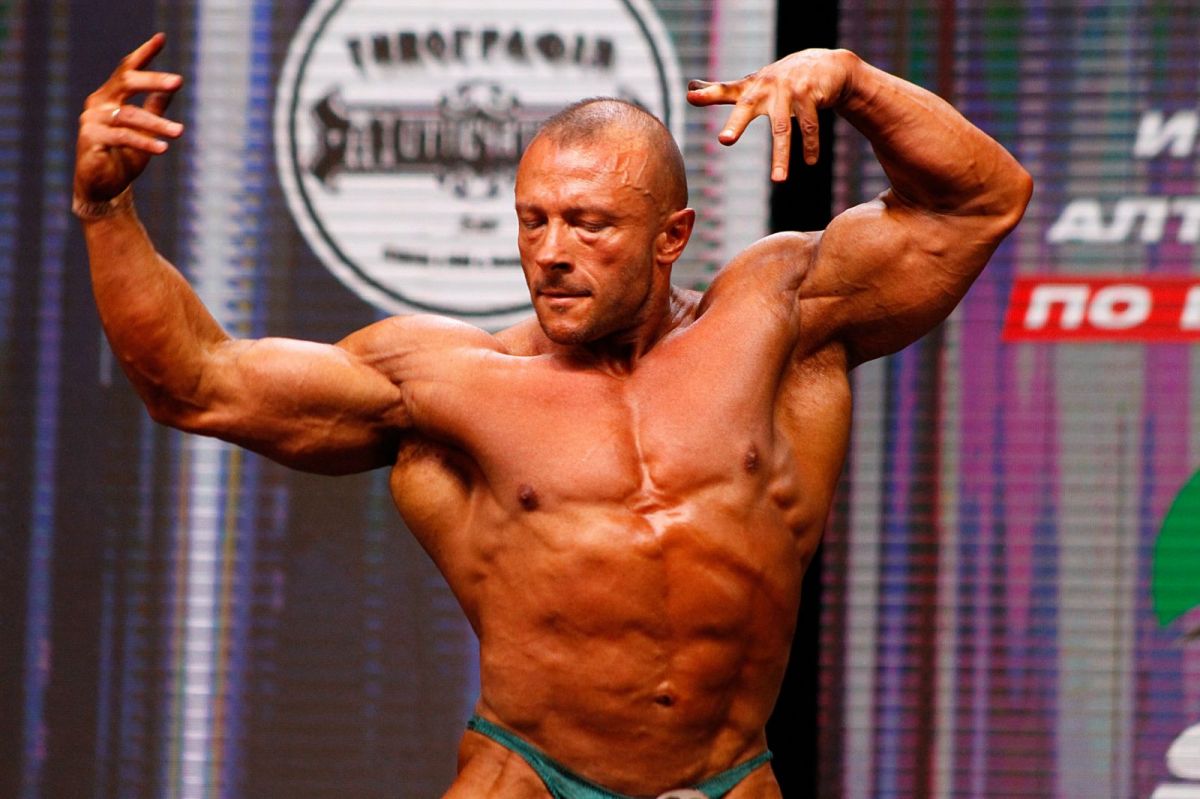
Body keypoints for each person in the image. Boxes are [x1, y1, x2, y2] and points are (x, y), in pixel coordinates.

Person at [74, 32, 1031, 799]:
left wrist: (853, 81)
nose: (551, 251)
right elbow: (198, 381)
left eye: (589, 223)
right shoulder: (450, 381)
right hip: (525, 774)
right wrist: (106, 210)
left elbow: (981, 202)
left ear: (671, 236)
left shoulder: (778, 320)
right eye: (533, 220)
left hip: (727, 775)